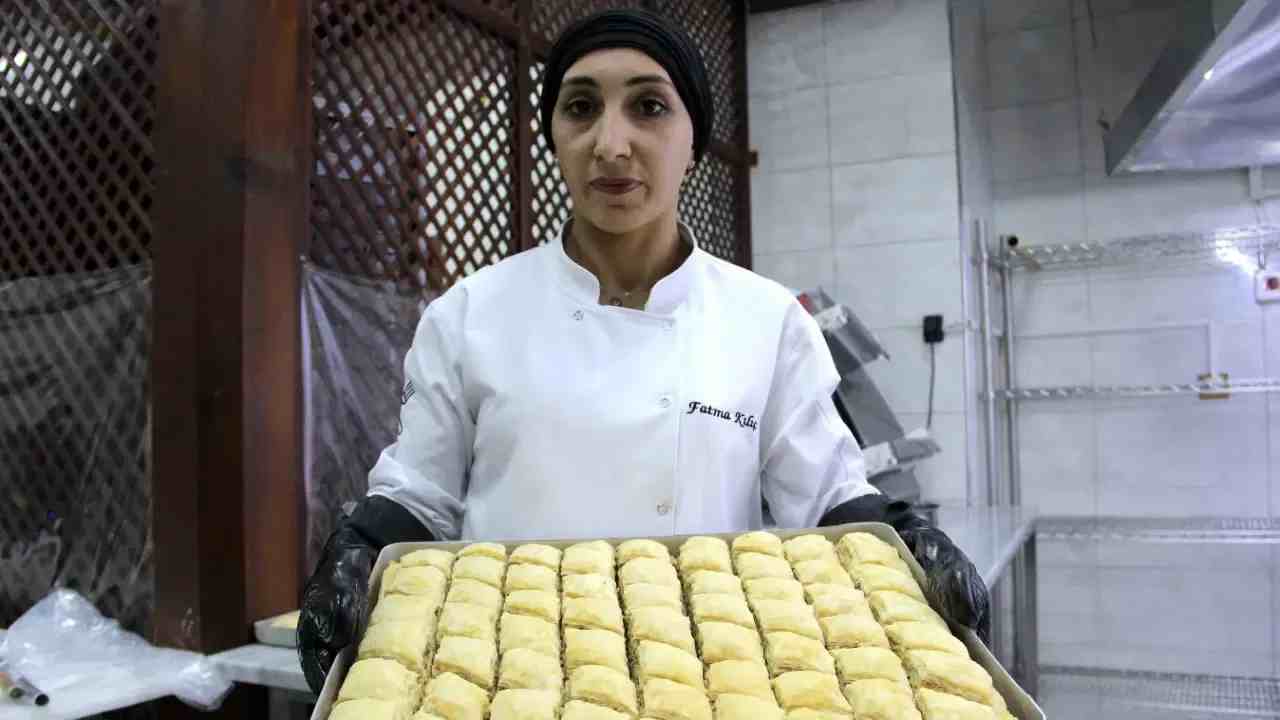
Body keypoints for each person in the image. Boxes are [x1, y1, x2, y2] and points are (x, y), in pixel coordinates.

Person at [298, 8, 988, 693]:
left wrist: (902, 535)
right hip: (512, 679)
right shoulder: (470, 314)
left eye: (649, 107)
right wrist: (360, 544)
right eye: (580, 108)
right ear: (553, 136)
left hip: (707, 678)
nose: (610, 143)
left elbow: (827, 500)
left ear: (694, 140)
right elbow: (420, 498)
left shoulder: (765, 321)